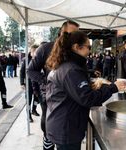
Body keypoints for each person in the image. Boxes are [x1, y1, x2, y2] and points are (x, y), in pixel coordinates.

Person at [45, 31, 125, 150]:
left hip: (62, 123)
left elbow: (75, 91)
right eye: (88, 47)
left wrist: (94, 85)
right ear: (77, 47)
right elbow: (88, 98)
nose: (90, 51)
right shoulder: (71, 70)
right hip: (66, 127)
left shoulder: (65, 65)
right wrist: (114, 87)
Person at [28, 20, 79, 150]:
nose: (73, 38)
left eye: (76, 35)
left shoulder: (75, 50)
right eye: (70, 34)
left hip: (71, 98)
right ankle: (48, 142)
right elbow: (31, 70)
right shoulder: (45, 48)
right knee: (48, 126)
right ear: (60, 33)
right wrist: (46, 80)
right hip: (50, 97)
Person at [20, 44, 40, 122]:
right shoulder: (26, 60)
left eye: (37, 51)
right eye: (34, 51)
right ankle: (28, 115)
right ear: (31, 51)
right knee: (28, 100)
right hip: (28, 84)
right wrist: (22, 83)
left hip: (37, 83)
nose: (35, 53)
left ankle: (34, 110)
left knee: (36, 99)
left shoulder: (39, 59)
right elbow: (22, 72)